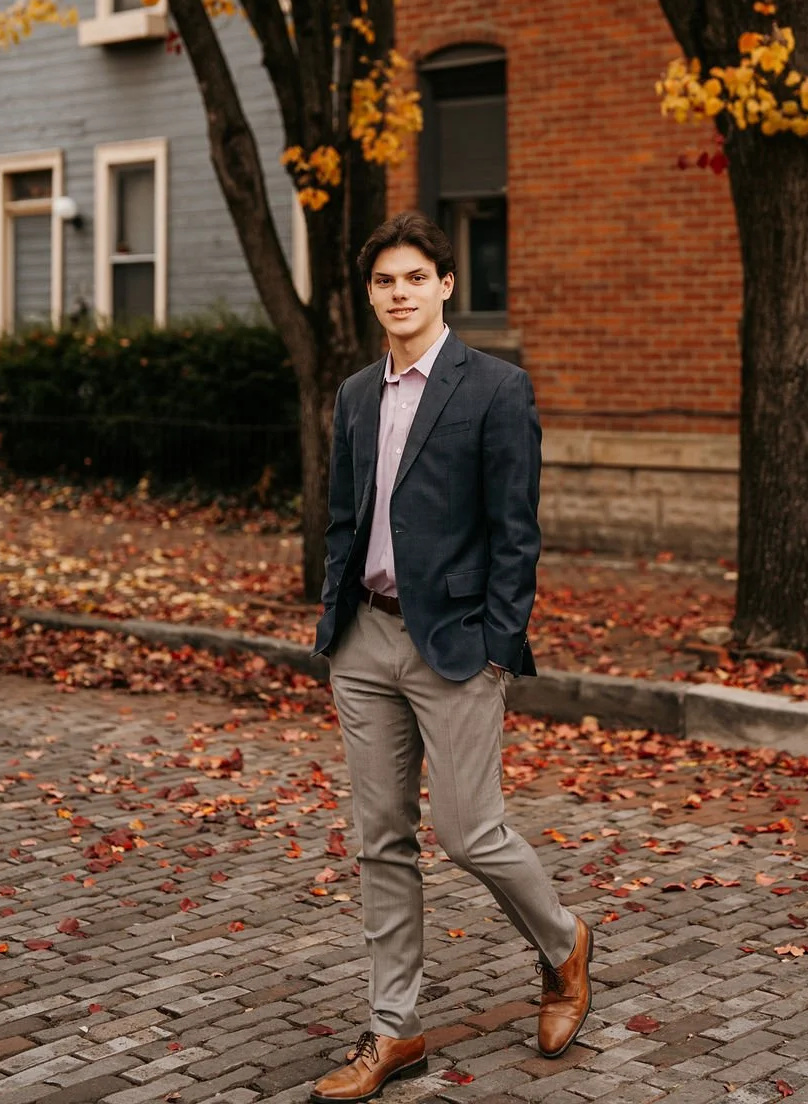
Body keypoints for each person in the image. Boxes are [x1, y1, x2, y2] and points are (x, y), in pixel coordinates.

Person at [309, 211, 591, 1104]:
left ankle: (565, 945)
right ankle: (395, 1032)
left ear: (444, 285)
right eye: (384, 281)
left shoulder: (495, 389)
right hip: (367, 639)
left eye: (414, 278)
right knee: (380, 842)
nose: (399, 293)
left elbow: (518, 532)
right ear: (372, 296)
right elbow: (344, 518)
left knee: (470, 832)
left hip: (457, 645)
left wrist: (499, 649)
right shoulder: (357, 394)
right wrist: (335, 624)